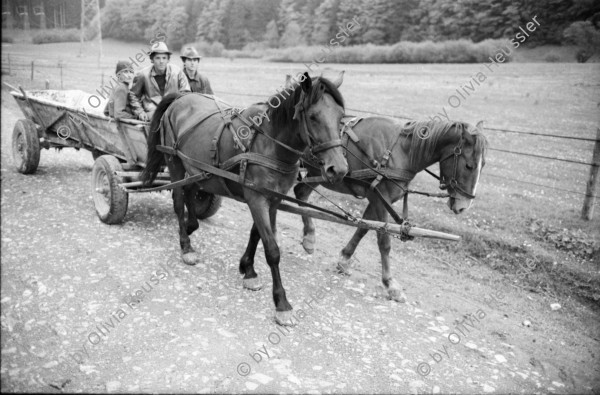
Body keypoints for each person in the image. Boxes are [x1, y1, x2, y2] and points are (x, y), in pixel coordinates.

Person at [129, 42, 190, 121]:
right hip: (152, 113)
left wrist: (178, 107)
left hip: (173, 111)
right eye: (158, 58)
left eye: (164, 58)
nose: (161, 61)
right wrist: (140, 112)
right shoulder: (143, 75)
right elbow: (133, 95)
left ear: (168, 59)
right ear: (152, 59)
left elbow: (186, 92)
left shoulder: (177, 72)